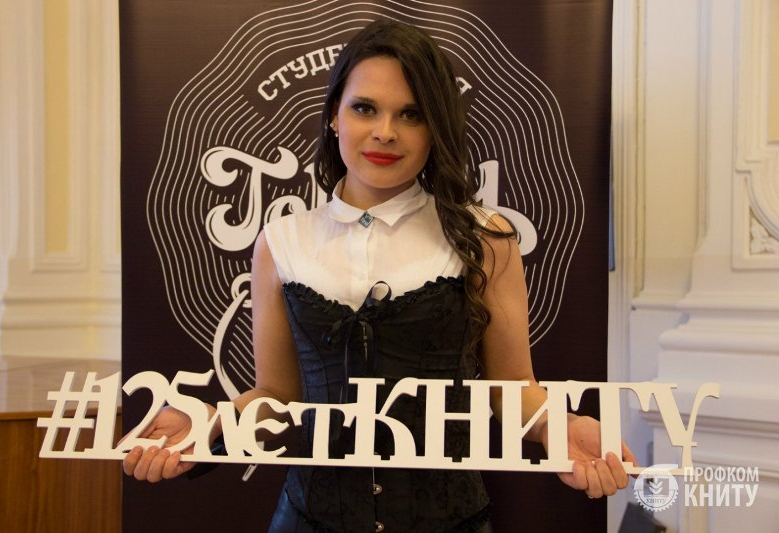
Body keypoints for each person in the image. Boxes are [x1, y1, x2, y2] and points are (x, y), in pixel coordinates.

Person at [123, 18, 635, 532]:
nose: (385, 132)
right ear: (333, 116)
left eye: (411, 114)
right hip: (309, 519)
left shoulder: (486, 237)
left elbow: (511, 387)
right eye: (365, 108)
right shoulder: (280, 242)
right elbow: (277, 395)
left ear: (435, 128)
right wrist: (212, 420)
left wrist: (560, 427)